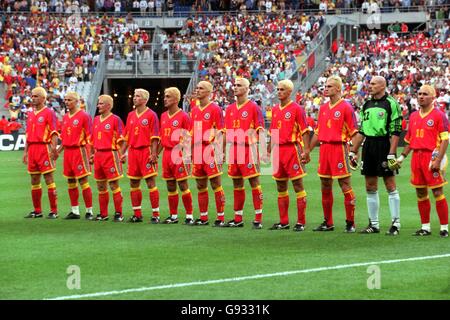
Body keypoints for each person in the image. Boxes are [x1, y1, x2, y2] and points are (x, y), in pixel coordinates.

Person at [349, 76, 402, 235]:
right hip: (369, 146)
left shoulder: (391, 103)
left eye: (373, 84)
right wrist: (353, 151)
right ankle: (374, 224)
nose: (369, 86)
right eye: (369, 83)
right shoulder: (366, 104)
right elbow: (362, 130)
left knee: (390, 185)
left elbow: (395, 130)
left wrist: (392, 153)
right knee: (370, 185)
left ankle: (395, 224)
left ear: (382, 86)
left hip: (384, 145)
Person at [394, 85, 449, 237]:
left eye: (425, 94)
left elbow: (445, 140)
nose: (421, 97)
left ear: (433, 98)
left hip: (432, 157)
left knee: (437, 191)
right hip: (416, 157)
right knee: (420, 192)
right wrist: (402, 157)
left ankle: (444, 227)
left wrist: (438, 160)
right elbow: (409, 140)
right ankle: (425, 227)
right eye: (419, 94)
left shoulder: (439, 115)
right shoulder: (413, 116)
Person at [310, 76, 358, 232]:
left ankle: (350, 223)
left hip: (339, 149)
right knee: (325, 184)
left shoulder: (346, 107)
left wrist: (353, 152)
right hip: (324, 149)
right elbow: (317, 132)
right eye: (325, 85)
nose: (326, 88)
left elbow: (354, 132)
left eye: (329, 86)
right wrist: (307, 151)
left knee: (344, 184)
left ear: (338, 89)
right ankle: (328, 222)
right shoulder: (323, 108)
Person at [267, 80, 311, 231]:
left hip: (292, 149)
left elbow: (304, 130)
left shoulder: (297, 109)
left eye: (282, 89)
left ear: (289, 92)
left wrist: (306, 150)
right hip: (278, 151)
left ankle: (301, 222)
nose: (279, 92)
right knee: (280, 185)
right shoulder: (275, 109)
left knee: (297, 185)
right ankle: (283, 221)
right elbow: (273, 131)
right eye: (278, 89)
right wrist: (268, 150)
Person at [224, 77, 265, 229]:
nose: (235, 87)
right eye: (234, 85)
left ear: (247, 89)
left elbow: (260, 129)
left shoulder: (254, 108)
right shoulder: (229, 109)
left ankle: (258, 217)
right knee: (237, 182)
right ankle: (238, 217)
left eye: (239, 85)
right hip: (233, 149)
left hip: (249, 149)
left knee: (254, 182)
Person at [120, 89, 161, 223]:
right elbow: (126, 136)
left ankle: (156, 214)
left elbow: (155, 137)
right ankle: (137, 214)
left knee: (150, 182)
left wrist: (154, 153)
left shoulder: (151, 115)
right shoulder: (131, 115)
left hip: (146, 151)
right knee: (133, 182)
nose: (134, 98)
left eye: (137, 96)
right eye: (134, 96)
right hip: (133, 152)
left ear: (144, 100)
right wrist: (122, 153)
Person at [191, 81, 227, 227]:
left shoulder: (215, 109)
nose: (198, 90)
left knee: (215, 183)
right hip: (197, 150)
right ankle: (203, 217)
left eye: (201, 88)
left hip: (210, 149)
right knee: (200, 184)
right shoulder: (194, 109)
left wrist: (220, 151)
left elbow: (221, 131)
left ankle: (220, 217)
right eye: (197, 88)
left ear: (208, 92)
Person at [158, 87, 194, 224]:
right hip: (167, 154)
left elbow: (188, 138)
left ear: (175, 99)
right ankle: (173, 216)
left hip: (179, 153)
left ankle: (189, 216)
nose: (165, 99)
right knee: (170, 185)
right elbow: (162, 137)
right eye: (165, 96)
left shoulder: (184, 116)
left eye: (168, 96)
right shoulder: (163, 116)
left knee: (183, 184)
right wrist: (155, 154)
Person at [57, 92, 94, 220]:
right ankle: (75, 211)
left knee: (83, 180)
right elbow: (64, 137)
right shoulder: (66, 117)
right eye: (66, 100)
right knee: (70, 181)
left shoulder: (84, 116)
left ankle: (89, 211)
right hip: (68, 152)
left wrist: (92, 153)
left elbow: (90, 136)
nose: (67, 102)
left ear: (77, 101)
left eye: (70, 100)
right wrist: (58, 151)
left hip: (80, 151)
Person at [23, 87, 59, 219]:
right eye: (32, 96)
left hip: (44, 148)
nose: (33, 98)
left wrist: (54, 148)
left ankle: (54, 211)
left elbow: (54, 132)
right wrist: (25, 152)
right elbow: (28, 134)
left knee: (49, 178)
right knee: (34, 179)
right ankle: (37, 210)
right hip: (32, 149)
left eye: (36, 96)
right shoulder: (31, 114)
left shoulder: (49, 113)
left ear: (43, 98)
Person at [90, 95, 125, 222]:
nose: (98, 105)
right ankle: (103, 214)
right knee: (100, 186)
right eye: (98, 103)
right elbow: (93, 140)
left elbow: (122, 139)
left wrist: (121, 154)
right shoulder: (95, 120)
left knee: (114, 184)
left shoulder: (116, 119)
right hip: (98, 155)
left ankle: (118, 213)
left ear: (109, 106)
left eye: (101, 103)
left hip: (111, 155)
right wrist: (92, 154)